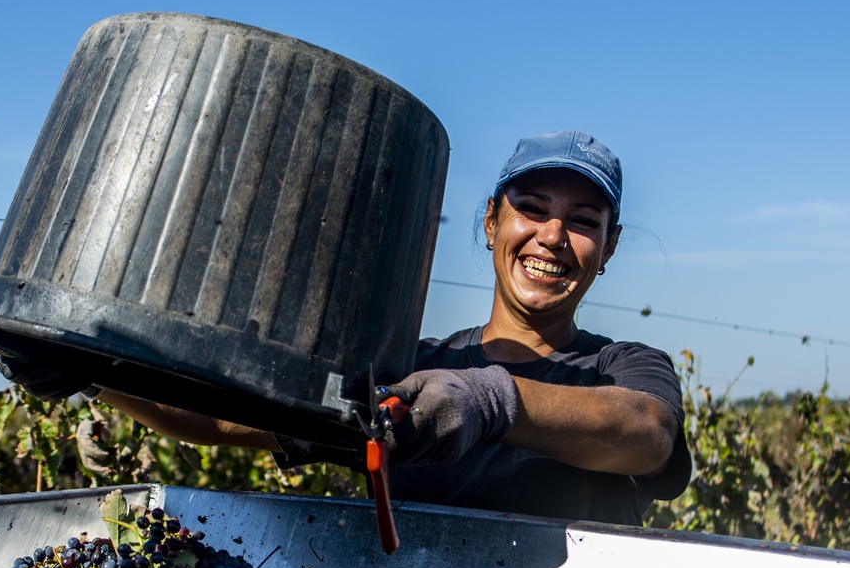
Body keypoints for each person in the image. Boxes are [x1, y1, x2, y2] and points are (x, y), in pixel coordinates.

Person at [92, 130, 692, 526]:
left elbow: (646, 432)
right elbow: (223, 417)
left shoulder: (625, 369)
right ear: (491, 221)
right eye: (532, 208)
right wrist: (93, 369)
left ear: (608, 247)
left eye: (583, 221)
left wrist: (493, 400)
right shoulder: (408, 371)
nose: (553, 237)